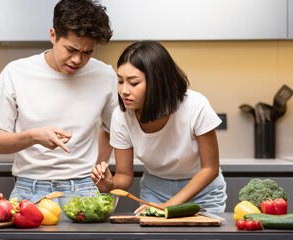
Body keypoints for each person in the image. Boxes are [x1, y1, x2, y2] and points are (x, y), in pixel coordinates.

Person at [0, 0, 118, 204]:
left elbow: (112, 128)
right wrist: (35, 136)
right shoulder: (16, 73)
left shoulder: (105, 75)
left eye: (87, 52)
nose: (77, 60)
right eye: (71, 49)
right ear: (53, 35)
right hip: (29, 190)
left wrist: (99, 166)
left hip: (84, 189)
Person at [91, 40, 227, 214]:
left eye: (133, 83)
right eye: (120, 81)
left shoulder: (196, 105)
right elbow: (124, 175)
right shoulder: (121, 116)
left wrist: (168, 205)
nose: (124, 90)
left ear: (158, 82)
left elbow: (210, 169)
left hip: (202, 190)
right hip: (155, 191)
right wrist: (110, 184)